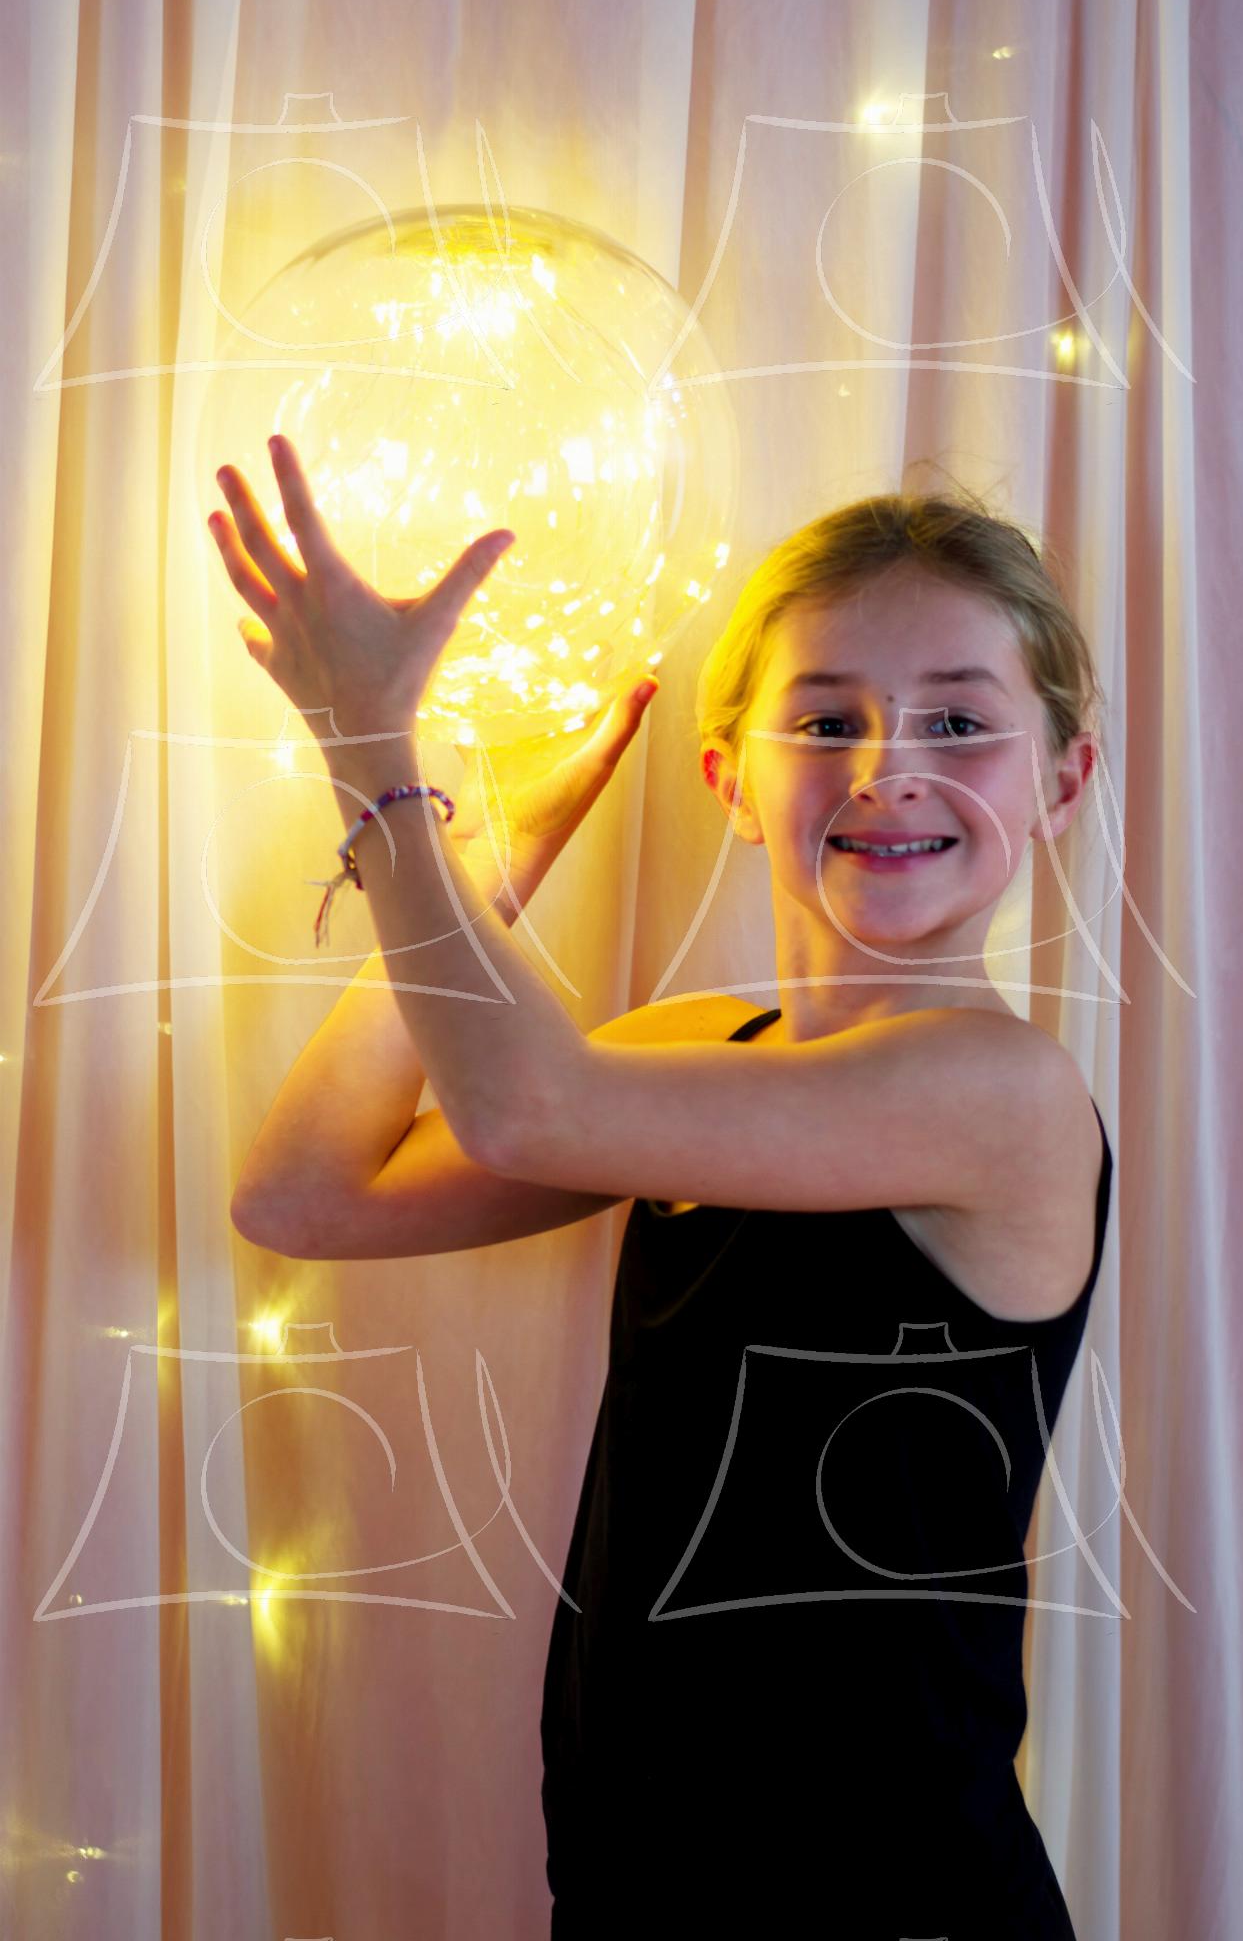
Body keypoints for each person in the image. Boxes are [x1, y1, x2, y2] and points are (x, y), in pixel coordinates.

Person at [224, 477, 1112, 1938]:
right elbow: (309, 1192)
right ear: (728, 780)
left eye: (959, 721)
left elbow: (526, 1103)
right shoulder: (692, 1056)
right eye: (822, 723)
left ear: (1060, 782)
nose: (889, 768)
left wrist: (371, 749)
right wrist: (485, 863)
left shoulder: (998, 1094)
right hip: (638, 1883)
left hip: (893, 1898)